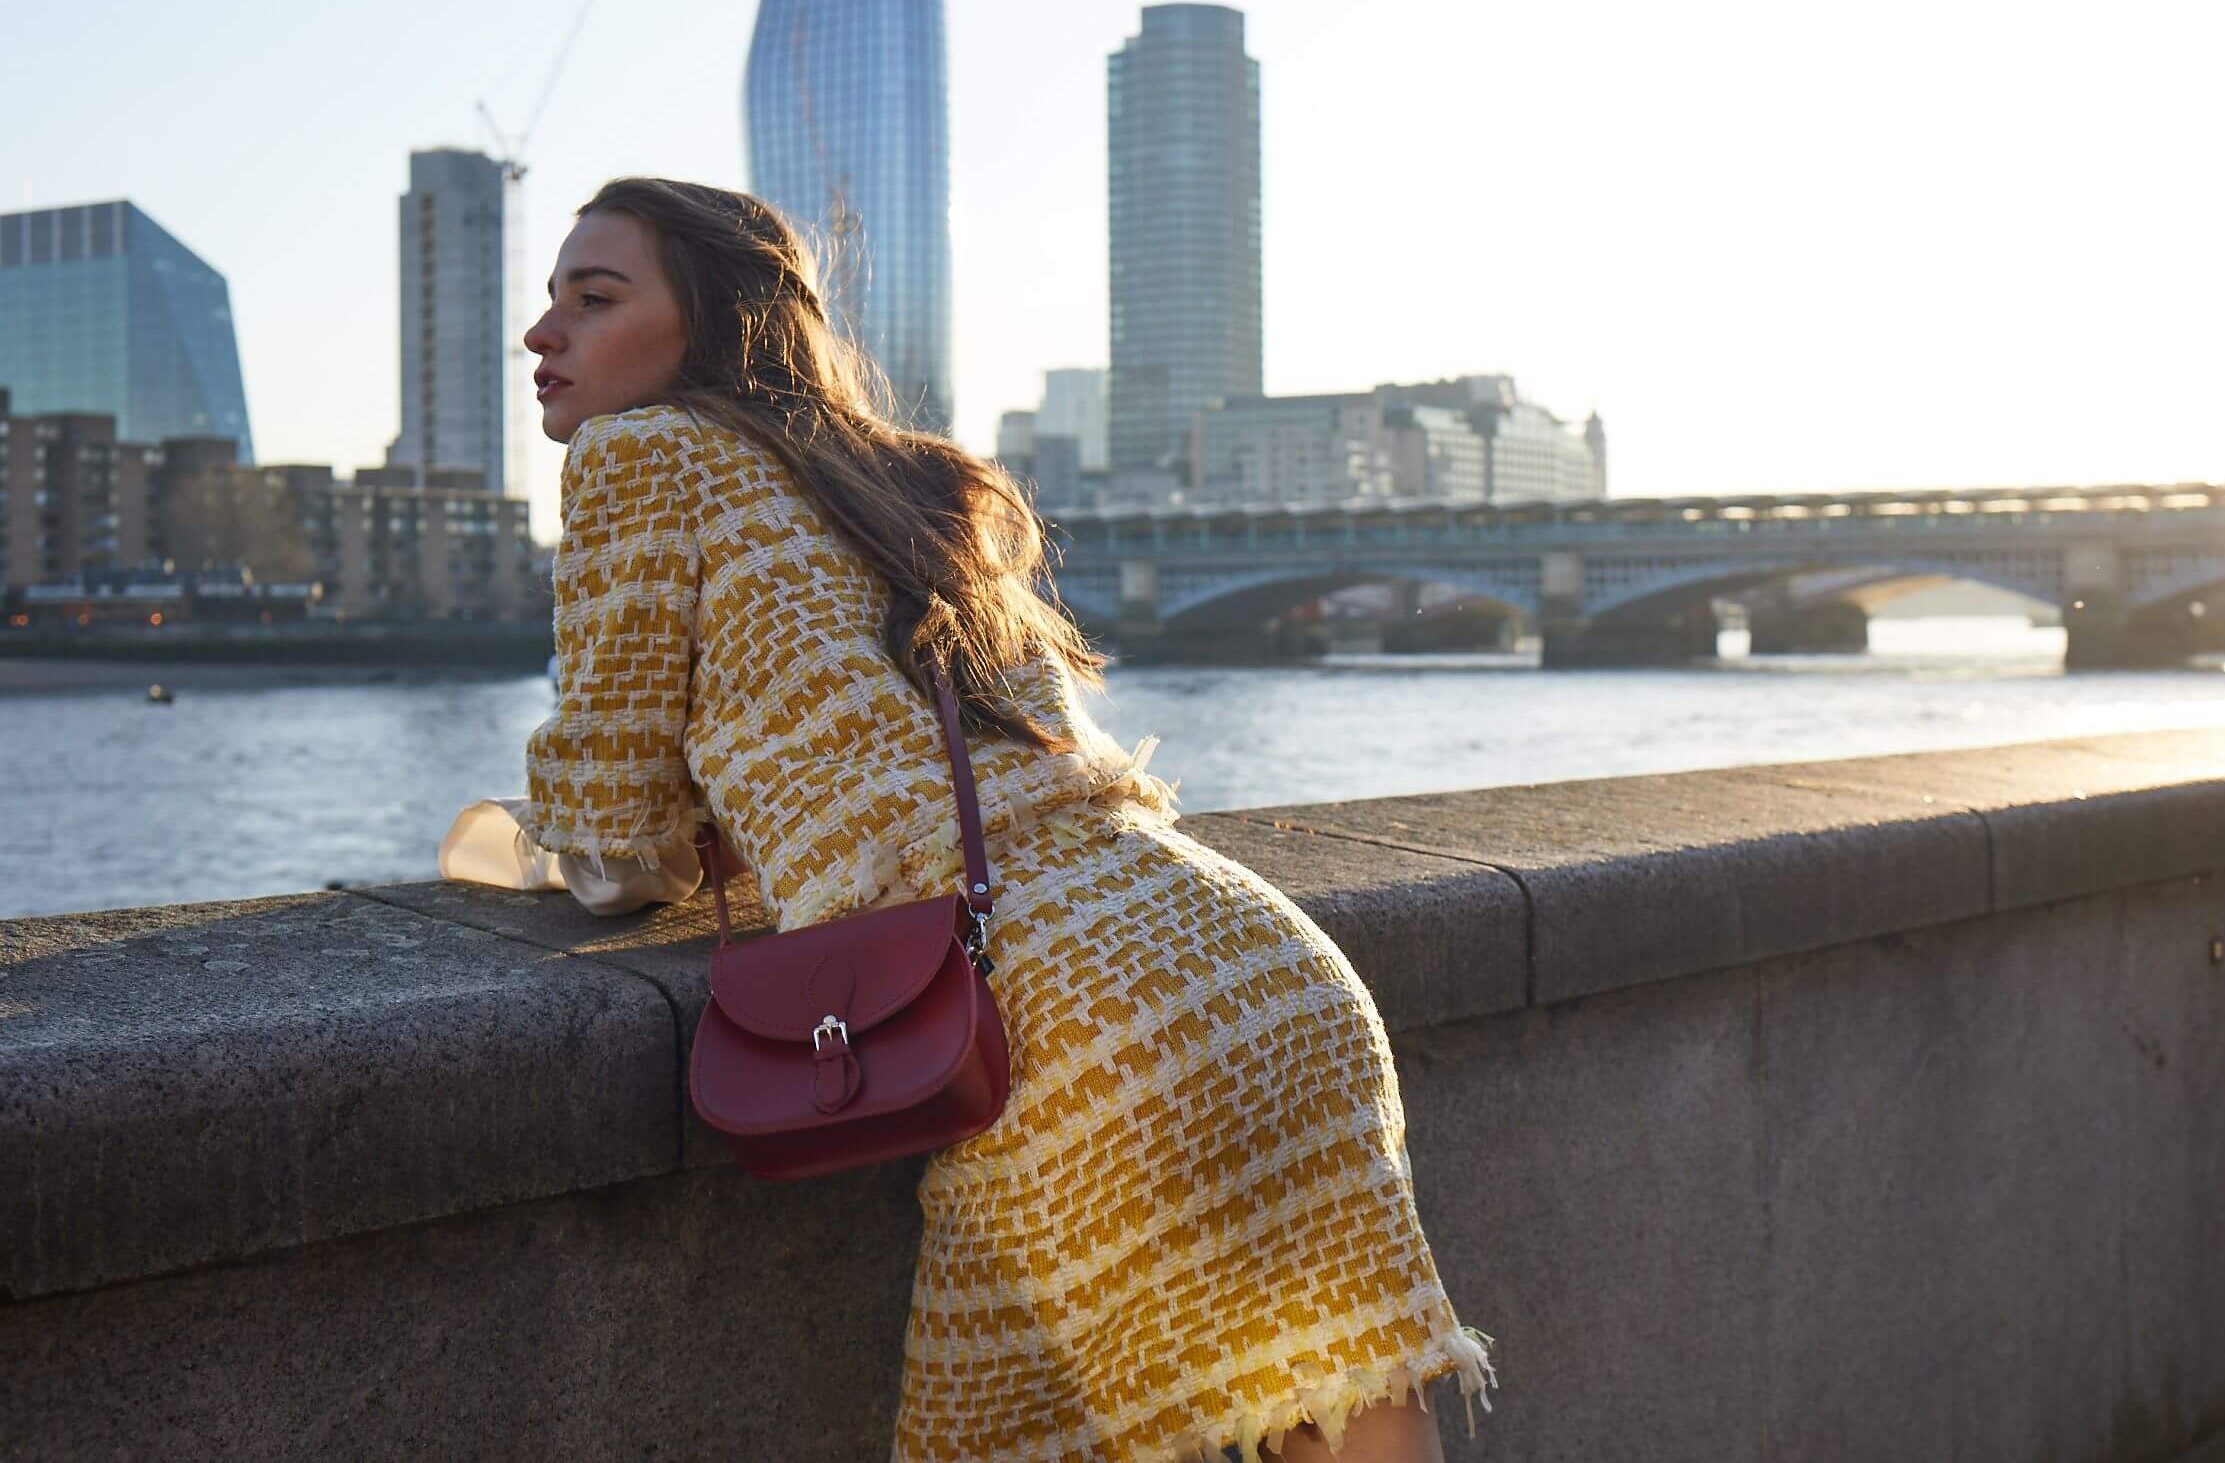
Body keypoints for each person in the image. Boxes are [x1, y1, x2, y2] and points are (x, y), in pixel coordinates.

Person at [441, 177, 1493, 1462]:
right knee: (1352, 1411)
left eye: (594, 299)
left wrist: (504, 847)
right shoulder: (909, 478)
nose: (544, 334)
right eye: (548, 302)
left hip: (1070, 1027)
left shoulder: (639, 455)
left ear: (708, 324)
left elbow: (609, 844)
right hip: (1263, 968)